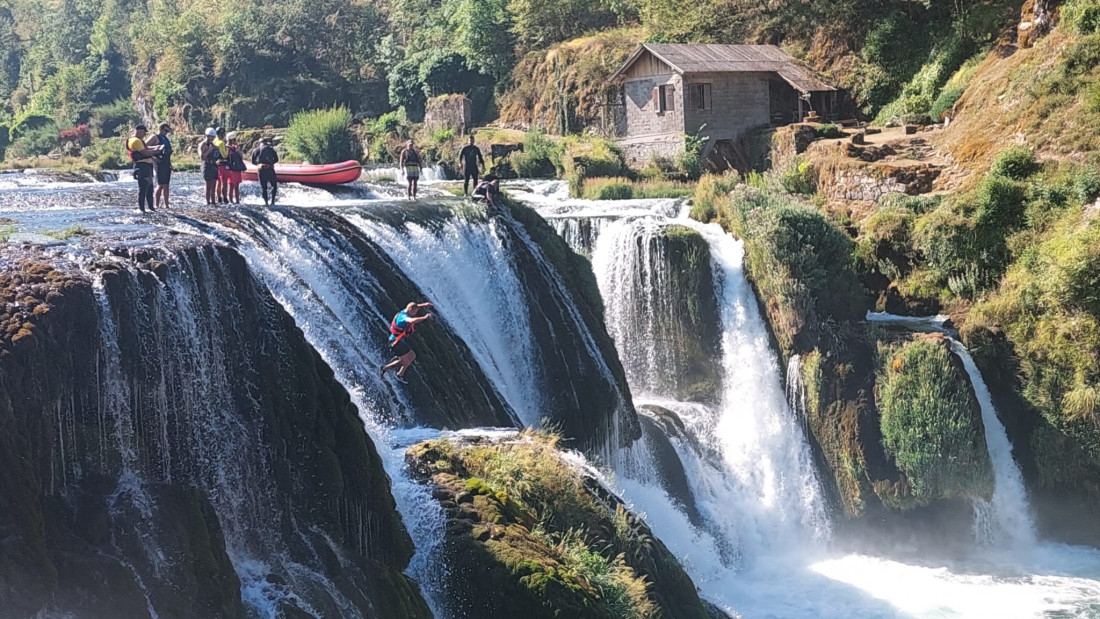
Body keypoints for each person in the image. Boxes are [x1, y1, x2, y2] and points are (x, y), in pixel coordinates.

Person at [379, 301, 434, 384]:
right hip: (395, 342)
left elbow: (415, 306)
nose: (415, 314)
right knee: (406, 360)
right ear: (411, 310)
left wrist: (424, 305)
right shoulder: (403, 318)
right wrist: (424, 317)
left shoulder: (404, 311)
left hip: (398, 341)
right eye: (415, 312)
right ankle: (398, 374)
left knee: (411, 356)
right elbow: (412, 320)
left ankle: (385, 368)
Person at [125, 124, 162, 213]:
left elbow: (144, 150)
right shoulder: (136, 141)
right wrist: (156, 151)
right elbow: (145, 153)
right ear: (140, 131)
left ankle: (150, 208)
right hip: (142, 167)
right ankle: (142, 209)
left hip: (145, 165)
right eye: (144, 132)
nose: (145, 134)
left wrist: (153, 157)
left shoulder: (136, 140)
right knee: (143, 188)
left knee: (149, 188)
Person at [145, 123, 173, 209]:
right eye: (165, 131)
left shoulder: (165, 138)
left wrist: (170, 164)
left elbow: (167, 153)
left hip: (166, 163)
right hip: (159, 163)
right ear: (160, 129)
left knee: (166, 185)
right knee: (160, 184)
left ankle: (166, 204)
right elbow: (144, 147)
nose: (166, 133)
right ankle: (156, 204)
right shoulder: (154, 137)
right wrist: (152, 157)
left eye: (168, 131)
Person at [251, 136, 279, 205]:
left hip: (261, 170)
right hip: (270, 169)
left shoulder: (255, 150)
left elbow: (253, 162)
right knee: (274, 185)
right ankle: (272, 201)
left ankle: (266, 202)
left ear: (260, 143)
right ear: (266, 142)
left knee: (264, 187)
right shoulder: (271, 149)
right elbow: (276, 159)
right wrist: (271, 163)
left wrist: (258, 164)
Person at [199, 128, 220, 205]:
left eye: (214, 137)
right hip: (207, 165)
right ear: (207, 136)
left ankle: (213, 202)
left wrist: (215, 147)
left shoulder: (212, 144)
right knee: (208, 186)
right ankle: (208, 202)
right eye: (212, 137)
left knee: (214, 185)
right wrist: (210, 149)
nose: (213, 138)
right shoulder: (203, 145)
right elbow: (203, 157)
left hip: (214, 165)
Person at [225, 132, 246, 204]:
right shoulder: (227, 148)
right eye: (234, 139)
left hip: (237, 169)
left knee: (236, 186)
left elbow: (241, 156)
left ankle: (237, 201)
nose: (235, 141)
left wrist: (238, 149)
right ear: (231, 140)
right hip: (231, 169)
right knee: (231, 185)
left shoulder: (235, 148)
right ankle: (231, 200)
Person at [214, 127, 229, 203]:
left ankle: (218, 197)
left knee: (218, 182)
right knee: (224, 182)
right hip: (223, 165)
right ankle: (225, 197)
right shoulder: (221, 143)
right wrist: (228, 149)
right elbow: (225, 155)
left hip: (216, 164)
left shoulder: (214, 141)